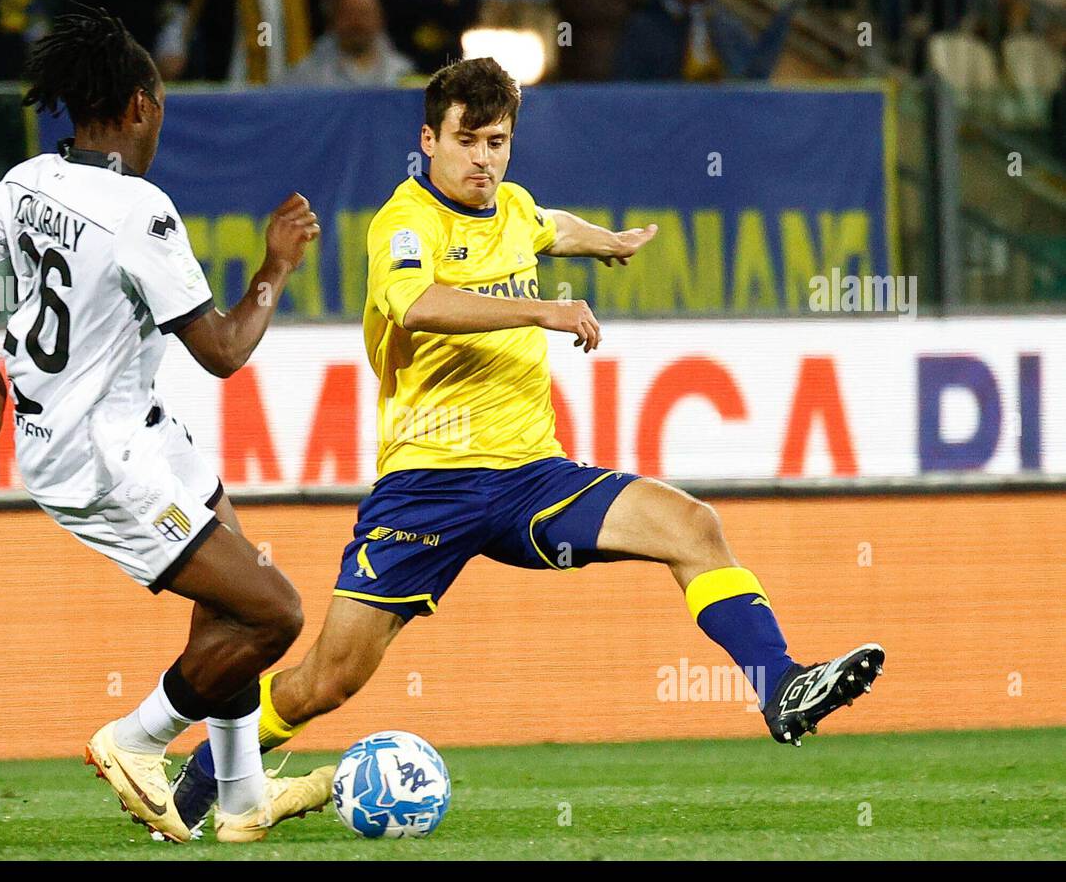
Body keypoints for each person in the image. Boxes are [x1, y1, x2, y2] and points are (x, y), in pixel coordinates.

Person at [169, 56, 886, 836]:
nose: (483, 159)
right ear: (429, 140)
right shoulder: (403, 223)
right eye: (467, 140)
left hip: (532, 479)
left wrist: (606, 240)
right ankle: (199, 782)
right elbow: (415, 304)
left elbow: (549, 225)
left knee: (693, 526)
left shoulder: (512, 209)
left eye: (498, 141)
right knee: (325, 682)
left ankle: (780, 686)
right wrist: (543, 310)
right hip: (427, 487)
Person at [0, 4, 332, 844]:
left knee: (232, 592)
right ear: (140, 105)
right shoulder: (142, 211)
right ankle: (135, 740)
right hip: (100, 457)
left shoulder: (30, 182)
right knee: (274, 613)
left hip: (136, 428)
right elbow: (222, 350)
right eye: (162, 105)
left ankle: (241, 800)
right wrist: (275, 268)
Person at [613, 0, 801, 82]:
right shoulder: (645, 25)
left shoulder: (724, 23)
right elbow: (628, 89)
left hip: (718, 124)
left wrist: (783, 21)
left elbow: (752, 76)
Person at [286, 0, 415, 88]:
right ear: (332, 21)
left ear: (380, 20)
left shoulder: (402, 72)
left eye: (364, 14)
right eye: (348, 15)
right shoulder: (307, 75)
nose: (357, 23)